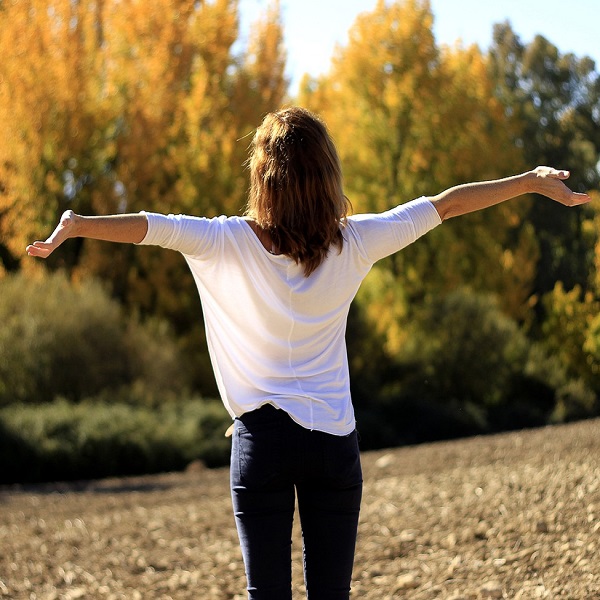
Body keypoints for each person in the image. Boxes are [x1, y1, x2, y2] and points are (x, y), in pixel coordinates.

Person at [27, 106, 590, 599]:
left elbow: (150, 228)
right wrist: (529, 182)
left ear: (262, 179)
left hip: (261, 446)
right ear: (327, 177)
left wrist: (77, 226)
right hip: (333, 445)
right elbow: (444, 206)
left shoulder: (225, 241)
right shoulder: (356, 241)